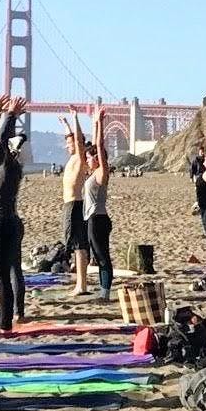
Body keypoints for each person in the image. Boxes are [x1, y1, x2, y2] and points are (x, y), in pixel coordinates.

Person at [0, 97, 30, 332]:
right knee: (14, 269)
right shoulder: (14, 166)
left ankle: (5, 321)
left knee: (1, 272)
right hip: (13, 220)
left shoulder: (1, 165)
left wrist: (10, 116)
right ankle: (19, 313)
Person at [84, 103, 115, 300]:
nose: (87, 160)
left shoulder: (102, 173)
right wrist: (93, 123)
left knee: (103, 257)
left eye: (89, 158)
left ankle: (105, 293)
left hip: (99, 219)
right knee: (96, 256)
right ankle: (103, 290)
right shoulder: (93, 173)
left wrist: (101, 123)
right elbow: (95, 146)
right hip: (92, 218)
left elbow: (100, 146)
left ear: (97, 159)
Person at [60, 117, 93, 293]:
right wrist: (65, 124)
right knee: (76, 246)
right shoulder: (72, 158)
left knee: (79, 246)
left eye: (70, 143)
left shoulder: (79, 158)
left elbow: (78, 139)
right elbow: (72, 138)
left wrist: (74, 118)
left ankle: (81, 285)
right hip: (70, 205)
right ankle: (81, 283)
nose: (68, 145)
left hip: (74, 204)